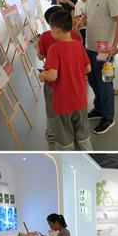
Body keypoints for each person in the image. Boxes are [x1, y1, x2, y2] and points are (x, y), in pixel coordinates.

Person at [74, 0, 118, 135]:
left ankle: (108, 117)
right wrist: (81, 23)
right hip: (89, 46)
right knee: (93, 81)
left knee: (105, 83)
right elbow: (88, 16)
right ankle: (99, 108)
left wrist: (114, 46)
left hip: (104, 48)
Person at [38, 9, 93, 151]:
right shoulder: (78, 45)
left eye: (51, 28)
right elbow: (88, 69)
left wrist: (42, 75)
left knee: (65, 138)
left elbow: (53, 76)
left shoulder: (54, 49)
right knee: (83, 135)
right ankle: (88, 153)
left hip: (63, 103)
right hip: (80, 100)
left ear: (56, 29)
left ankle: (68, 157)